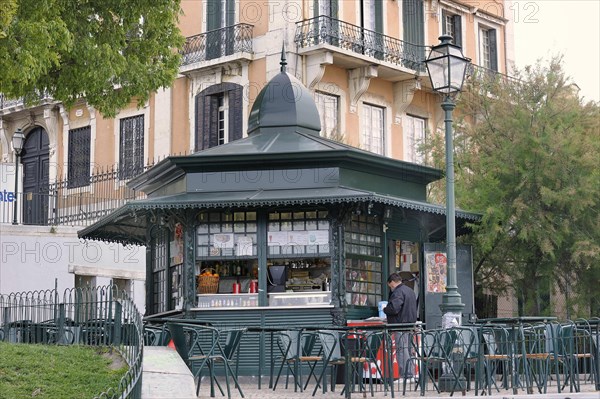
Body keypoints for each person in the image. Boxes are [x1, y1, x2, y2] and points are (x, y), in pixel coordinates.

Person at [383, 273, 418, 382]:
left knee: (401, 350)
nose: (390, 288)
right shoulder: (410, 291)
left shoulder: (398, 292)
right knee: (407, 349)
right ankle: (410, 373)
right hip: (410, 324)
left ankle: (406, 375)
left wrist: (385, 309)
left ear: (392, 282)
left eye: (390, 285)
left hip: (400, 324)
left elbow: (394, 308)